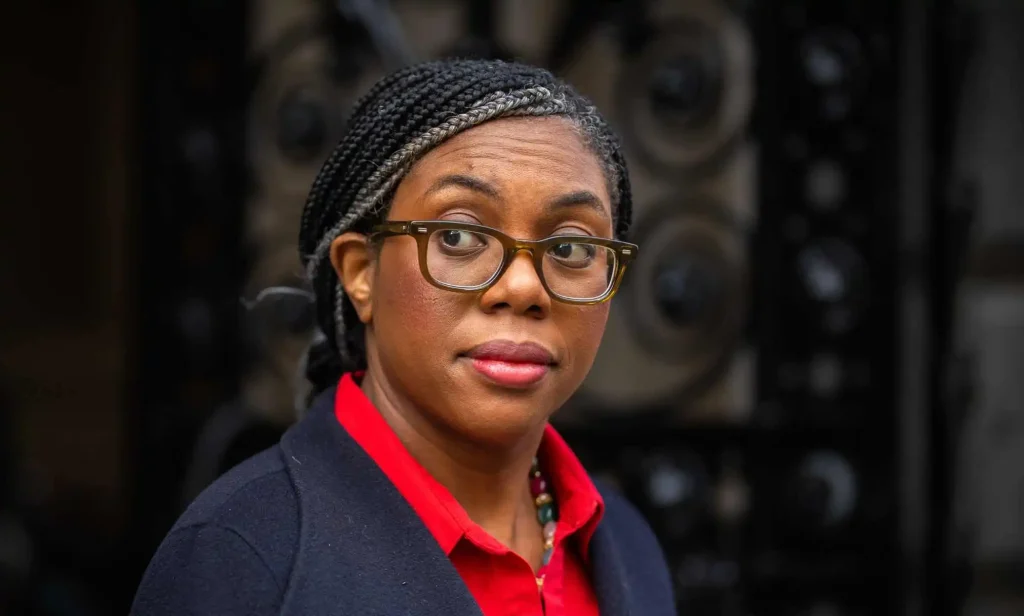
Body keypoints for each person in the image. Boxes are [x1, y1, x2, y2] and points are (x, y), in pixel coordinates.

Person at [131, 58, 675, 616]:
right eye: (459, 235)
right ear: (361, 273)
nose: (522, 286)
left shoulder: (625, 548)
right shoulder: (244, 556)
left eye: (570, 248)